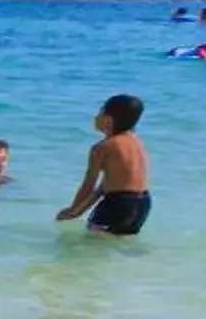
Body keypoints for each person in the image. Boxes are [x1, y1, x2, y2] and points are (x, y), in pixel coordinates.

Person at [57, 94, 151, 237]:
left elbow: (89, 185)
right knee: (117, 244)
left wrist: (72, 210)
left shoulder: (102, 147)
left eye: (99, 112)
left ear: (108, 120)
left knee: (92, 245)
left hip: (117, 204)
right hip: (142, 203)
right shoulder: (136, 143)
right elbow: (104, 187)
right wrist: (79, 211)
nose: (95, 117)